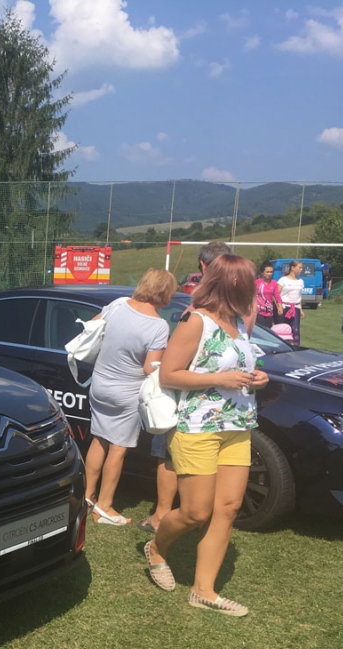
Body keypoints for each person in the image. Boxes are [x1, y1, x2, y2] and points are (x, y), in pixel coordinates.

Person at [143, 254, 269, 617]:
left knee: (227, 509)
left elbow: (241, 366)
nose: (254, 288)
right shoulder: (195, 320)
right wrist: (220, 378)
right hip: (198, 427)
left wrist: (259, 378)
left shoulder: (238, 322)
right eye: (248, 281)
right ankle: (157, 549)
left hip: (238, 426)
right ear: (231, 283)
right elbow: (169, 374)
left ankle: (203, 590)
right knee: (196, 511)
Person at [138, 242, 234, 534]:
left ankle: (162, 515)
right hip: (225, 399)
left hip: (188, 393)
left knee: (167, 454)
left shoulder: (198, 308)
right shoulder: (237, 306)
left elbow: (173, 365)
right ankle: (201, 511)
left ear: (203, 266)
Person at [84, 268, 177, 525]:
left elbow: (93, 326)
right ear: (165, 293)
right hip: (126, 392)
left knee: (98, 439)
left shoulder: (118, 304)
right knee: (118, 449)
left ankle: (87, 497)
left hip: (99, 383)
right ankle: (104, 507)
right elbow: (150, 368)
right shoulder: (158, 326)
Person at [277, 260, 305, 346]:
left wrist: (301, 309)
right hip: (284, 306)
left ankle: (295, 346)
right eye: (299, 267)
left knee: (295, 329)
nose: (301, 269)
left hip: (295, 307)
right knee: (283, 328)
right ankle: (281, 346)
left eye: (302, 268)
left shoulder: (300, 281)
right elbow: (276, 294)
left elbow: (299, 296)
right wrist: (279, 306)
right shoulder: (283, 280)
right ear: (292, 268)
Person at [254, 261, 283, 328]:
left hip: (269, 312)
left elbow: (277, 297)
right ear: (262, 272)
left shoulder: (274, 283)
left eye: (271, 272)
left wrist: (280, 307)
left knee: (268, 330)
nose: (269, 274)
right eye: (267, 272)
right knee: (261, 329)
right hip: (258, 311)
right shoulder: (257, 283)